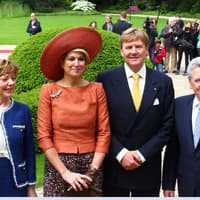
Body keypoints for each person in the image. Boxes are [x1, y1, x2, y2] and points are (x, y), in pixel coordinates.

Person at [96, 27, 174, 197]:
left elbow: (167, 125)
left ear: (147, 50)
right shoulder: (105, 80)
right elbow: (100, 123)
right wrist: (121, 153)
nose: (133, 52)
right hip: (115, 164)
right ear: (121, 51)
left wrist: (141, 154)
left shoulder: (163, 82)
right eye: (128, 47)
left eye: (138, 47)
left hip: (148, 165)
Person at [37, 27, 110, 197]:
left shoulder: (97, 89)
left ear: (86, 63)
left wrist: (92, 171)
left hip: (92, 164)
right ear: (62, 63)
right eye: (71, 59)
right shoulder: (48, 90)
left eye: (81, 59)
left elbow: (104, 132)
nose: (76, 63)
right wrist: (65, 173)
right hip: (58, 166)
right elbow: (44, 136)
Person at [163, 57, 200, 197]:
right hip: (187, 185)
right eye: (198, 80)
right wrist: (168, 184)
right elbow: (173, 148)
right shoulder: (179, 106)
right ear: (190, 83)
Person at [0, 59, 37, 197]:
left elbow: (29, 151)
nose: (11, 83)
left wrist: (31, 187)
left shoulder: (22, 110)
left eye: (13, 78)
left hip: (15, 180)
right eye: (5, 79)